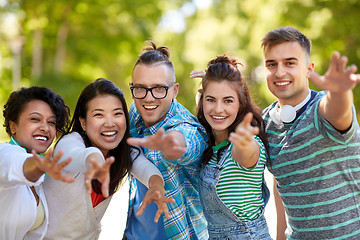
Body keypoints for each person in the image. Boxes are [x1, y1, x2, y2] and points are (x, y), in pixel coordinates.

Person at [261, 26, 360, 239]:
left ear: (309, 69)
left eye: (290, 63)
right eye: (272, 64)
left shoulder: (321, 109)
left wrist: (340, 92)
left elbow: (337, 110)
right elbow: (281, 183)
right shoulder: (264, 123)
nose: (279, 72)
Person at [43, 78, 174, 239]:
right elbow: (76, 155)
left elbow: (145, 168)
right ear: (83, 122)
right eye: (99, 115)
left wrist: (156, 186)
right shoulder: (70, 142)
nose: (110, 123)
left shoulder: (122, 152)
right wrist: (95, 162)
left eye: (117, 113)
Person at [123, 41, 208, 240]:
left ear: (175, 90)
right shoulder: (136, 111)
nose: (149, 98)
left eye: (159, 88)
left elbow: (187, 144)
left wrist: (171, 145)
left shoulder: (187, 126)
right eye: (140, 88)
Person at [191, 55, 272, 239]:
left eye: (228, 101)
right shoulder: (210, 146)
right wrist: (211, 79)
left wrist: (244, 143)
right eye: (211, 100)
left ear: (240, 104)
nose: (218, 109)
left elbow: (245, 154)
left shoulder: (249, 143)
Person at [0, 86, 74, 240]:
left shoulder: (44, 176)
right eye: (35, 119)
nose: (45, 128)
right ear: (13, 126)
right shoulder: (4, 153)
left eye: (52, 122)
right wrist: (39, 165)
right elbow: (18, 164)